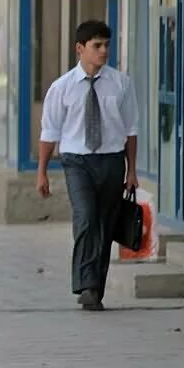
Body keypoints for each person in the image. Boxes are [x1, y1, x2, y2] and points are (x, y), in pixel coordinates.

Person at [37, 20, 138, 311]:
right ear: (80, 49)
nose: (104, 51)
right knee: (86, 218)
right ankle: (84, 281)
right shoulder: (62, 88)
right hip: (77, 161)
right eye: (97, 46)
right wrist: (41, 172)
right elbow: (49, 132)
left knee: (105, 225)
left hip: (111, 160)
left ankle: (95, 288)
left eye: (107, 45)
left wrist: (131, 170)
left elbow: (131, 130)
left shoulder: (121, 84)